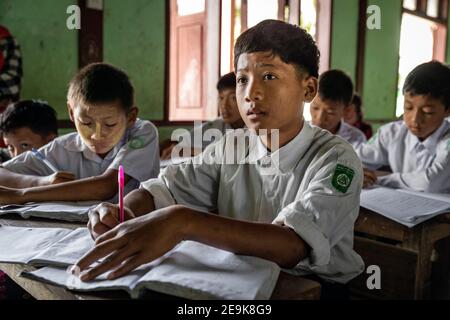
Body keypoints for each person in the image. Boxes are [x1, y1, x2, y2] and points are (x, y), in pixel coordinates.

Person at [74, 20, 364, 299]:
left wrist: (182, 221)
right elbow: (166, 189)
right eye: (242, 79)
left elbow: (293, 245)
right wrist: (122, 213)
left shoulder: (336, 158)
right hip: (238, 276)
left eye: (269, 77)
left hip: (311, 287)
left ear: (308, 89)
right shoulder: (231, 146)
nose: (251, 93)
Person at [0, 62, 160, 203]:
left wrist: (21, 195)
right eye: (86, 123)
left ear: (130, 117)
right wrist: (42, 182)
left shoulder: (142, 133)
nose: (97, 135)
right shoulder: (63, 148)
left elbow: (106, 187)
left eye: (110, 124)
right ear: (71, 112)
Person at [357, 61, 450, 193]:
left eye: (428, 111)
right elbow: (352, 159)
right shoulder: (391, 133)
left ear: (447, 110)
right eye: (408, 107)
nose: (414, 119)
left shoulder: (447, 140)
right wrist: (356, 172)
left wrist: (379, 179)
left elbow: (430, 182)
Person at [160, 72, 245, 159]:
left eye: (233, 98)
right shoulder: (215, 126)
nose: (224, 105)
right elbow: (177, 142)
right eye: (221, 98)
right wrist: (174, 146)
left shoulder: (256, 128)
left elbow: (235, 156)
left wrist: (192, 151)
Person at [310, 70, 366, 148]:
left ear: (347, 110)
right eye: (315, 108)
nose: (320, 118)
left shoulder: (355, 140)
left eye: (330, 112)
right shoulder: (297, 132)